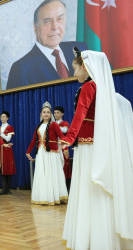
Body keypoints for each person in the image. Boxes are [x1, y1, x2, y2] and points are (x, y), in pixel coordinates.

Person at [61, 48, 133, 249]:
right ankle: (105, 235)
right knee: (97, 189)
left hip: (88, 147)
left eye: (75, 69)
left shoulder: (88, 87)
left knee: (89, 188)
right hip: (98, 144)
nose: (74, 74)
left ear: (85, 66)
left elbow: (80, 114)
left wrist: (69, 137)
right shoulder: (106, 90)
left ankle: (92, 238)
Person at [6, 0, 86, 89]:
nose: (55, 27)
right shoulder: (21, 69)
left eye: (60, 19)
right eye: (47, 21)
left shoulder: (80, 49)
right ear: (35, 26)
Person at [26, 102, 68, 205]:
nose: (46, 114)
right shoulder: (38, 127)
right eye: (44, 112)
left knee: (51, 173)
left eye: (48, 112)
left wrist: (65, 148)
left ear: (51, 115)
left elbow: (62, 136)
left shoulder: (54, 125)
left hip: (51, 153)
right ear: (41, 114)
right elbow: (34, 140)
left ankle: (54, 197)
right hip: (41, 153)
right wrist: (28, 151)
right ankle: (43, 196)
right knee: (43, 174)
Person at [0, 111, 16, 195]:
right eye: (1, 117)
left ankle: (8, 189)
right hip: (0, 149)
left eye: (4, 117)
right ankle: (4, 188)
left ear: (7, 118)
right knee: (1, 168)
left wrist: (0, 132)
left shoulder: (9, 127)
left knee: (8, 168)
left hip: (7, 150)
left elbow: (7, 139)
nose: (2, 118)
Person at [53, 106, 71, 190]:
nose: (56, 114)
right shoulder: (52, 123)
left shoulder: (64, 123)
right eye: (55, 113)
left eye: (58, 113)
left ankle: (65, 188)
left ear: (62, 114)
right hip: (54, 148)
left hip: (63, 147)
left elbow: (64, 130)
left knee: (64, 166)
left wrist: (54, 126)